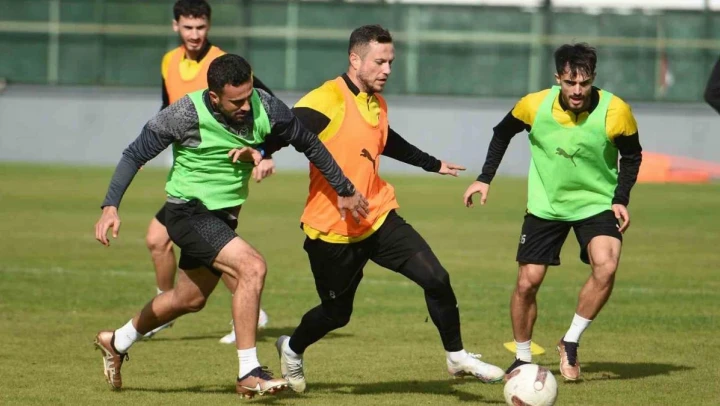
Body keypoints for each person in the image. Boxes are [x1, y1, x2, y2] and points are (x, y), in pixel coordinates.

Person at [93, 54, 368, 398]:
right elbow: (135, 154)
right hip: (188, 213)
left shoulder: (266, 107)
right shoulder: (185, 114)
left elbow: (309, 142)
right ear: (214, 97)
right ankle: (249, 372)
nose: (245, 106)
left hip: (222, 218)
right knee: (252, 267)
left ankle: (116, 341)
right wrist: (110, 206)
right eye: (236, 101)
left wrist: (344, 188)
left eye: (248, 96)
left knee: (189, 299)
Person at [261, 25, 505, 393]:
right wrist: (261, 152)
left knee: (436, 278)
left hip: (378, 216)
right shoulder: (327, 98)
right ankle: (292, 349)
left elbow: (385, 140)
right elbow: (287, 129)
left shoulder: (376, 101)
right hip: (333, 231)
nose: (387, 69)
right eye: (379, 62)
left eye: (390, 62)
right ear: (355, 59)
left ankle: (456, 357)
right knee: (336, 314)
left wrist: (431, 163)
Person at [462, 43, 643, 381]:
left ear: (593, 78)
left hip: (596, 202)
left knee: (607, 265)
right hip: (546, 205)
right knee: (527, 282)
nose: (577, 91)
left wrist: (621, 198)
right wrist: (484, 178)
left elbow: (632, 156)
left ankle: (570, 340)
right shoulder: (533, 105)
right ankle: (522, 358)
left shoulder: (616, 110)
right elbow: (501, 134)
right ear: (558, 77)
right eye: (570, 82)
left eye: (584, 83)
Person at [148, 0, 275, 341]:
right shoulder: (169, 61)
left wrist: (264, 152)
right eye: (188, 27)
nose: (194, 34)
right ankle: (166, 308)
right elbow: (166, 109)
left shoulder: (223, 64)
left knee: (212, 247)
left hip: (220, 174)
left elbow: (266, 104)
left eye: (201, 27)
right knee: (158, 240)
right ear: (176, 26)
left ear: (209, 25)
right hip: (189, 175)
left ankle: (172, 310)